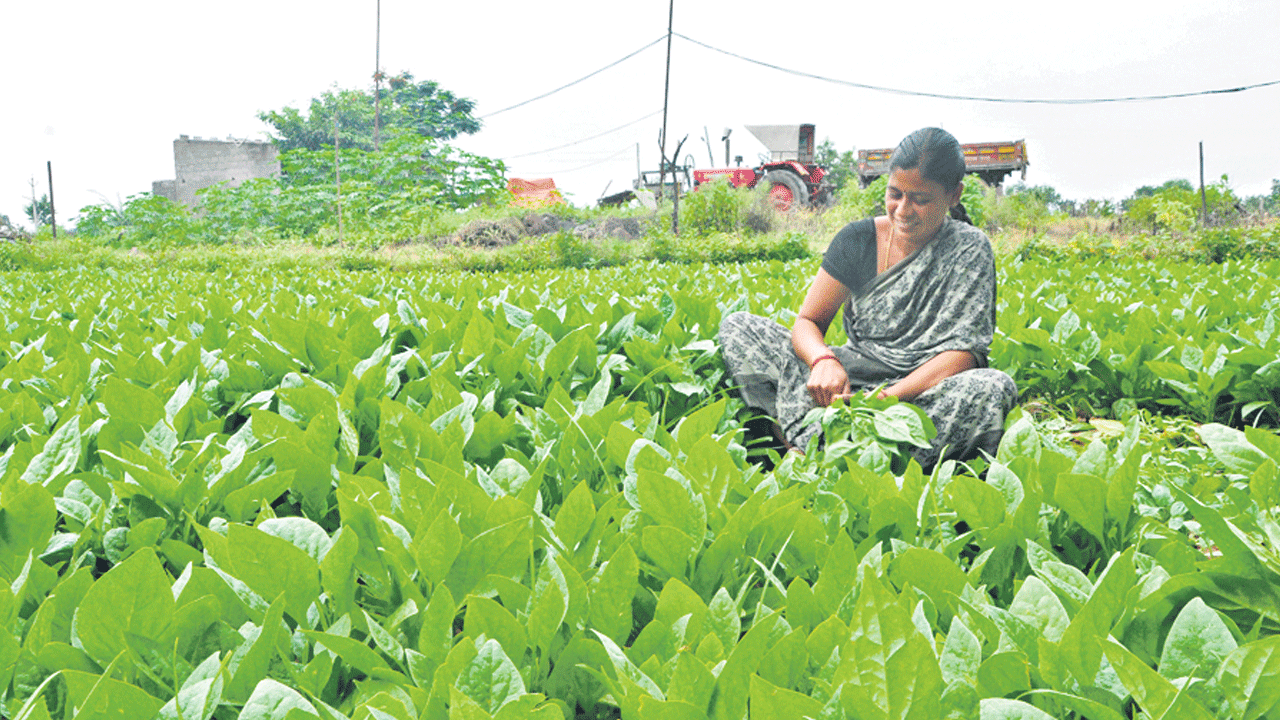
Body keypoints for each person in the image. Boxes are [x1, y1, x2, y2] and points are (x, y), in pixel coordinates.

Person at [719, 127, 1016, 469]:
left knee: (993, 388)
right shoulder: (858, 240)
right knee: (740, 327)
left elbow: (965, 354)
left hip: (923, 391)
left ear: (953, 195)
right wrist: (822, 361)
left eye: (920, 199)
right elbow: (808, 323)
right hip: (852, 376)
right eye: (895, 194)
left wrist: (887, 400)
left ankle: (822, 450)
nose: (903, 210)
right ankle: (832, 447)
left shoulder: (969, 248)